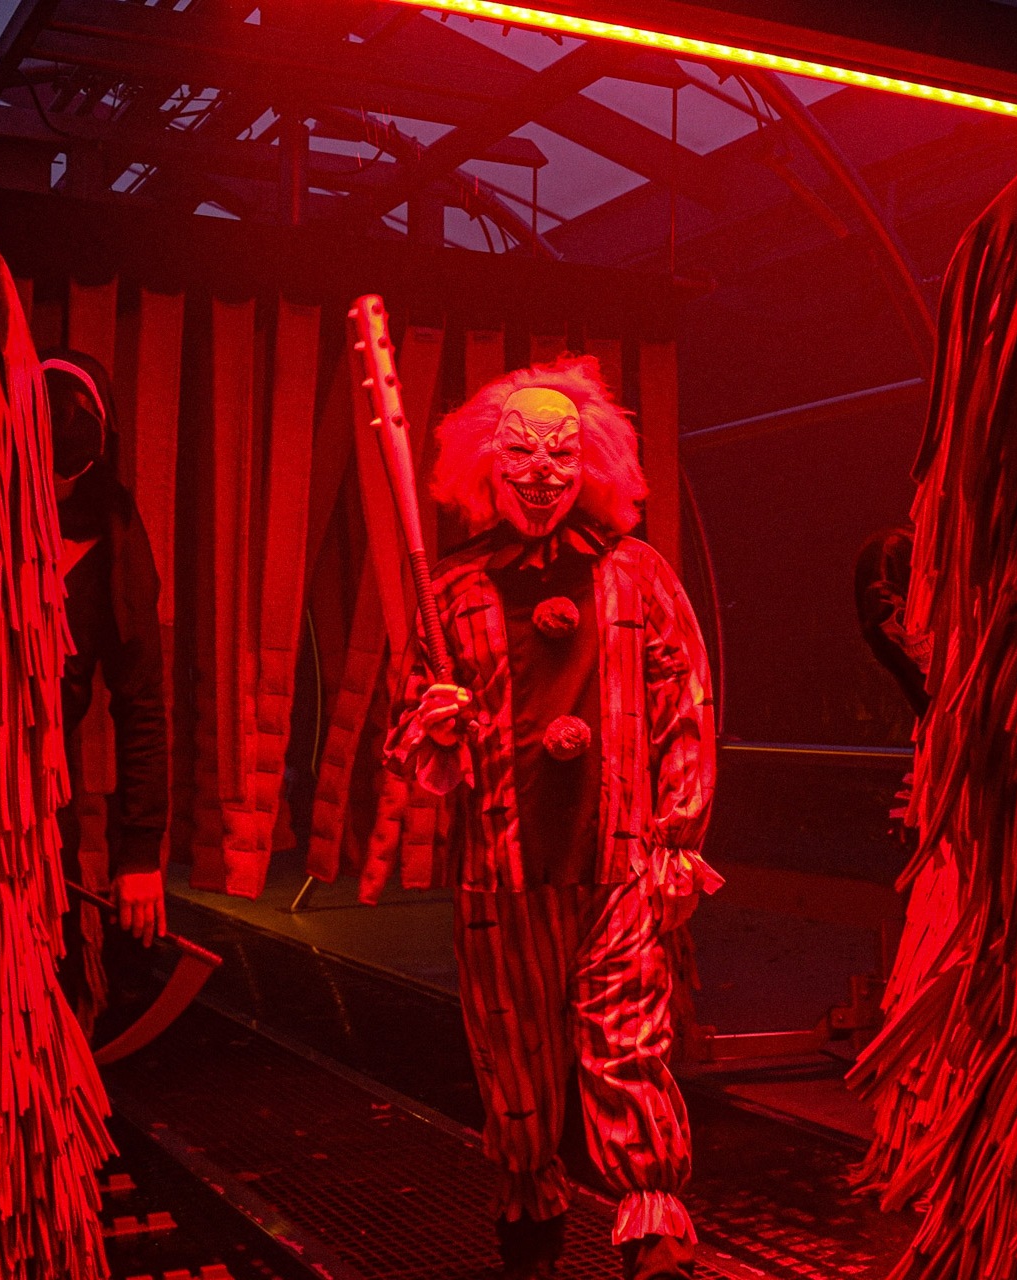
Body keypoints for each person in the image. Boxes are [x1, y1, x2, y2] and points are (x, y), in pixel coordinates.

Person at [385, 356, 721, 1280]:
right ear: (485, 467)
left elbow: (683, 705)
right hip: (499, 876)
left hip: (617, 867)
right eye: (521, 451)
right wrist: (435, 723)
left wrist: (678, 838)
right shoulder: (447, 593)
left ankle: (655, 1240)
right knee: (517, 1075)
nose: (540, 471)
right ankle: (530, 1218)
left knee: (629, 1048)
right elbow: (408, 739)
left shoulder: (639, 576)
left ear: (594, 464)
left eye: (560, 453)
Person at [42, 350, 170, 1033]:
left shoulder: (114, 535)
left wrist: (139, 855)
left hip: (42, 783)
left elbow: (141, 703)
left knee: (49, 968)